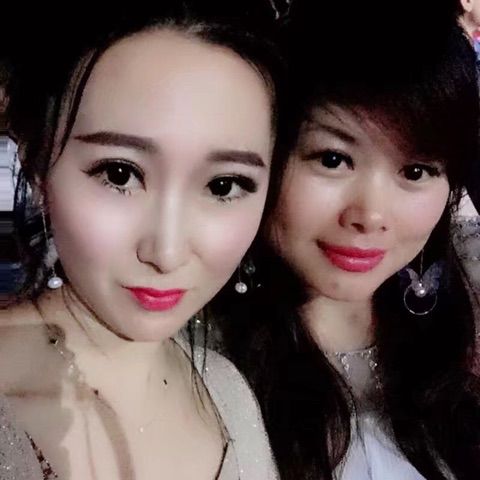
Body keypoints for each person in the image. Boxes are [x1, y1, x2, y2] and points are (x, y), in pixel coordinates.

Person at [1, 3, 285, 478]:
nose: (166, 253)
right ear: (37, 164)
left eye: (223, 186)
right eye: (120, 174)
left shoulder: (227, 391)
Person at [216, 2, 480, 478]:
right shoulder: (198, 359)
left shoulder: (464, 326)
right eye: (333, 159)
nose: (370, 216)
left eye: (415, 171)